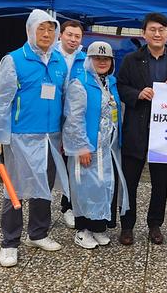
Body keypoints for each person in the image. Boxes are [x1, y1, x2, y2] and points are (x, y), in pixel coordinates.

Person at [0, 9, 69, 267]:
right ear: (30, 31)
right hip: (21, 136)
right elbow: (2, 101)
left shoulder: (58, 61)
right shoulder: (14, 60)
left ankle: (38, 233)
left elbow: (63, 100)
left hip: (50, 137)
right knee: (15, 190)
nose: (46, 34)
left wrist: (65, 135)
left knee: (44, 188)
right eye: (41, 29)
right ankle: (10, 242)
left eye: (51, 30)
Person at [116, 12, 167, 245]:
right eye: (152, 30)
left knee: (160, 184)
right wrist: (138, 94)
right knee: (130, 182)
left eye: (162, 30)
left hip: (164, 134)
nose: (157, 34)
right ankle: (127, 226)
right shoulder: (131, 59)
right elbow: (121, 86)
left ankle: (155, 225)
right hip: (136, 129)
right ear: (144, 33)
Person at [62, 41, 129, 249]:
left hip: (106, 147)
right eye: (97, 58)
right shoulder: (80, 82)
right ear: (89, 60)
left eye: (106, 58)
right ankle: (83, 230)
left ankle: (98, 227)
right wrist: (81, 146)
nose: (102, 62)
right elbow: (74, 118)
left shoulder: (110, 82)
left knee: (103, 186)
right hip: (88, 146)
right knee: (85, 187)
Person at [55, 20, 86, 228]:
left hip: (75, 120)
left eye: (77, 36)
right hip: (52, 119)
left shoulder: (84, 60)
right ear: (60, 35)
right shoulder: (51, 56)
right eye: (70, 35)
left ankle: (68, 206)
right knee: (50, 167)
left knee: (71, 165)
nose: (73, 39)